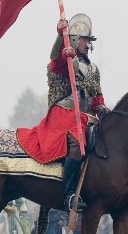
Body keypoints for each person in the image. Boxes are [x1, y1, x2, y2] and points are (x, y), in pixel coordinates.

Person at [17, 14, 109, 212]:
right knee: (78, 142)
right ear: (75, 40)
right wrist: (60, 36)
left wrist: (102, 108)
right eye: (85, 39)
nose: (88, 43)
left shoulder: (93, 68)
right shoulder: (65, 60)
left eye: (89, 40)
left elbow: (96, 97)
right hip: (64, 114)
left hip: (85, 116)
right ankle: (68, 195)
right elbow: (54, 59)